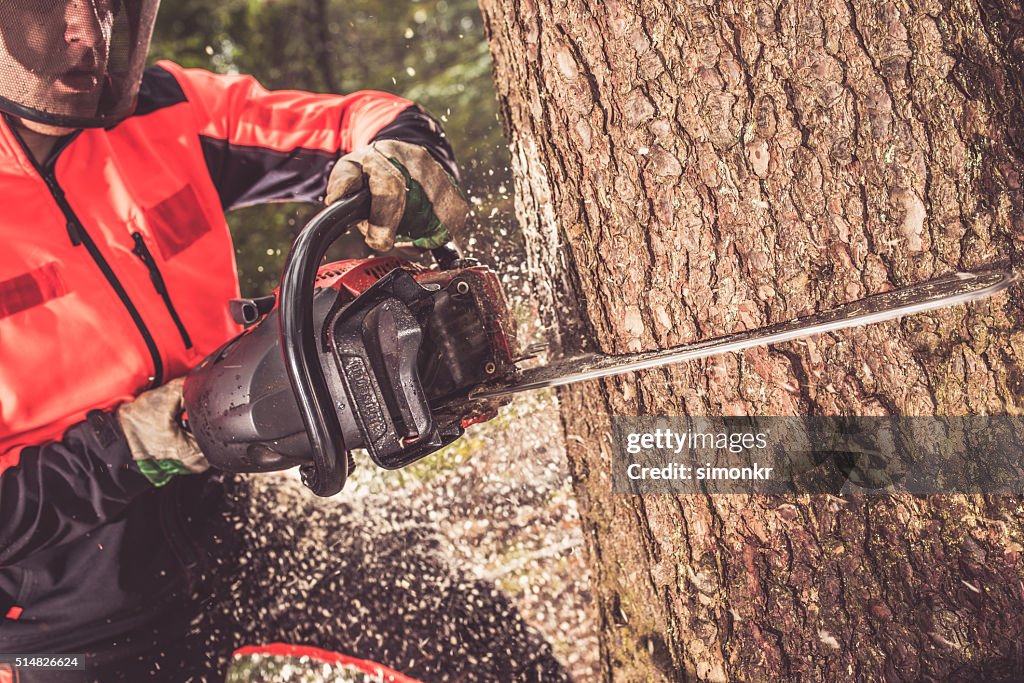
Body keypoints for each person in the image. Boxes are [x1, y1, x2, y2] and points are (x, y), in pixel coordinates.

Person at [0, 2, 569, 681]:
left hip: (231, 523)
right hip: (68, 621)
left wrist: (393, 157)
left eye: (100, 4)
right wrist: (126, 448)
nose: (88, 33)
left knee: (475, 634)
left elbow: (358, 121)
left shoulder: (167, 113)